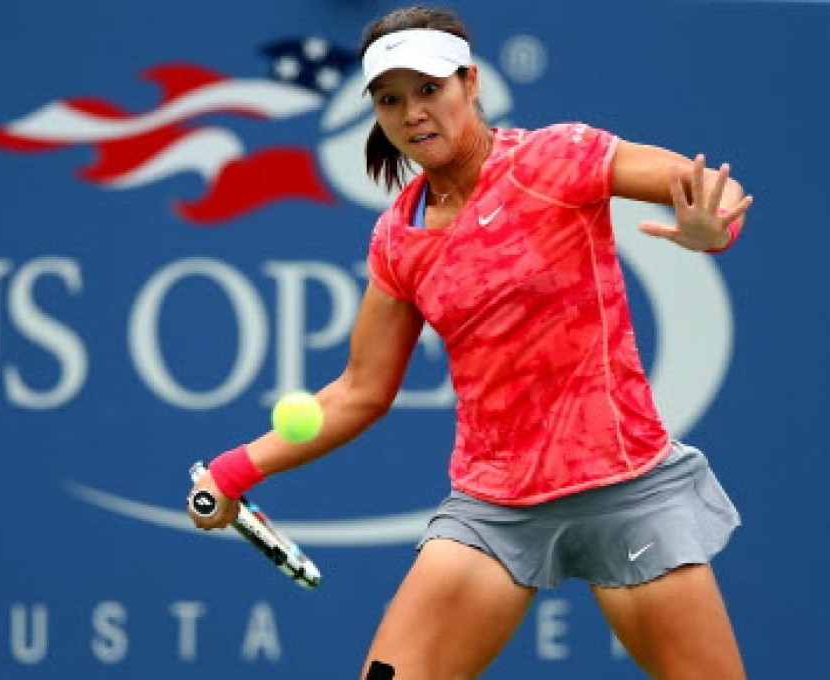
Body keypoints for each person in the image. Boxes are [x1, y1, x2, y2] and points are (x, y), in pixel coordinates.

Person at [188, 5, 752, 679]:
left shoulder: (554, 159)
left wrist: (712, 229)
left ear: (471, 83)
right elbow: (361, 391)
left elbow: (712, 193)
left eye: (430, 89)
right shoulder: (398, 240)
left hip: (626, 487)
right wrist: (233, 471)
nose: (413, 113)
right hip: (493, 508)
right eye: (390, 99)